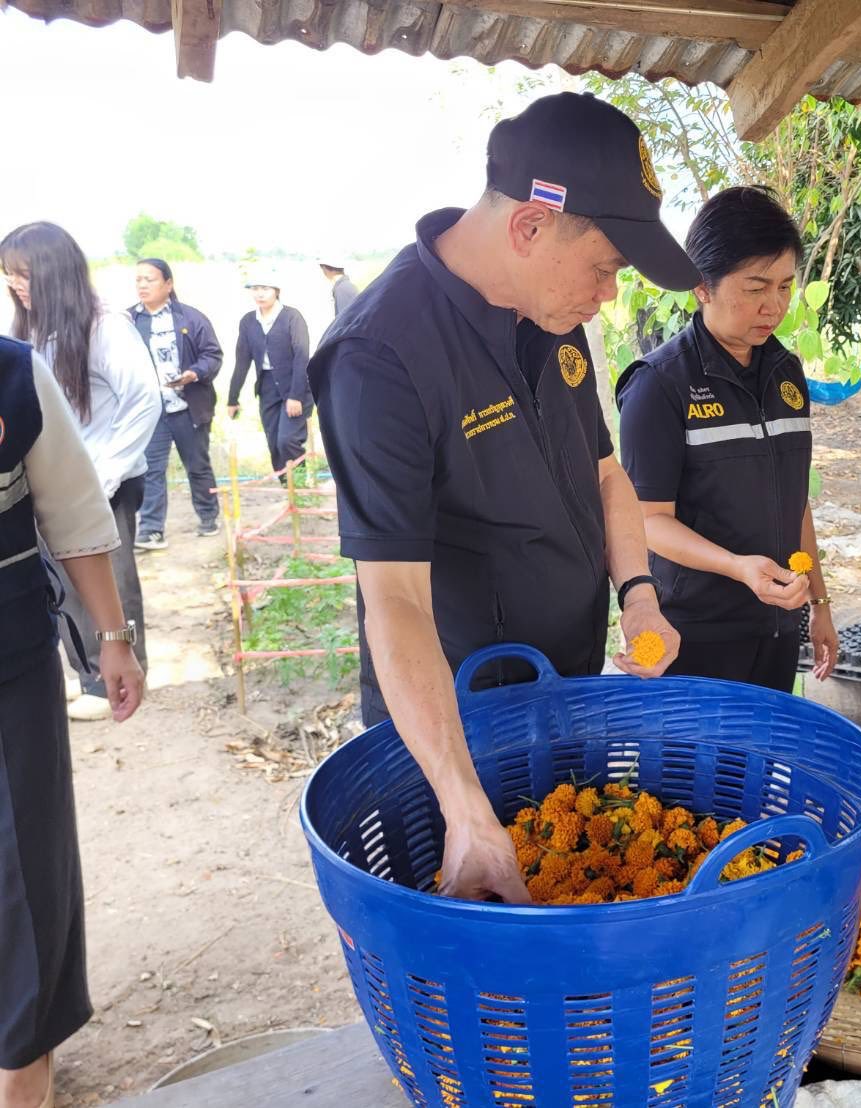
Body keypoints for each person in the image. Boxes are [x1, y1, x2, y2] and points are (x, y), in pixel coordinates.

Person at [308, 92, 696, 905]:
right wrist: (462, 805)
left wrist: (638, 596)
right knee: (480, 936)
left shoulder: (549, 312)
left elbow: (603, 472)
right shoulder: (379, 356)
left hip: (563, 686)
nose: (608, 297)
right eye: (604, 269)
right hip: (458, 725)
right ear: (528, 227)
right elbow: (395, 601)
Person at [615, 187, 838, 690]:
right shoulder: (659, 384)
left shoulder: (786, 373)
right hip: (692, 632)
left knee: (757, 767)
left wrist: (819, 603)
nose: (774, 306)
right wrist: (737, 567)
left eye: (784, 286)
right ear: (702, 286)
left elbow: (796, 500)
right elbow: (648, 522)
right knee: (688, 767)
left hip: (778, 625)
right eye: (756, 287)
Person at [0, 335, 145, 1108]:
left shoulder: (12, 373)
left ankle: (24, 1053)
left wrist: (112, 642)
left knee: (25, 858)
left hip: (9, 661)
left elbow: (74, 514)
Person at [2, 222, 158, 724]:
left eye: (24, 274)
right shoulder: (27, 335)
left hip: (107, 479)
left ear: (55, 273)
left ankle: (120, 671)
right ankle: (89, 673)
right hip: (55, 487)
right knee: (63, 583)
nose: (16, 285)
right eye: (8, 276)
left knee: (111, 578)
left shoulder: (105, 327)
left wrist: (106, 472)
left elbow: (143, 401)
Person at [129, 258, 224, 548]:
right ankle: (151, 529)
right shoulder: (129, 321)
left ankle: (208, 516)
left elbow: (212, 354)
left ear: (168, 284)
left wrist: (194, 373)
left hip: (187, 406)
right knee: (151, 468)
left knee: (197, 464)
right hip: (151, 411)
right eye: (139, 280)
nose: (143, 285)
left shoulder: (190, 319)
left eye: (150, 279)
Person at [226, 277, 312, 480]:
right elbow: (242, 361)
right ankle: (288, 491)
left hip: (294, 386)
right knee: (274, 444)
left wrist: (296, 395)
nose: (259, 293)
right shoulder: (248, 321)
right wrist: (232, 399)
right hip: (266, 387)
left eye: (265, 288)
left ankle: (300, 489)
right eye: (255, 289)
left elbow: (302, 356)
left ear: (276, 290)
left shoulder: (292, 317)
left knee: (287, 440)